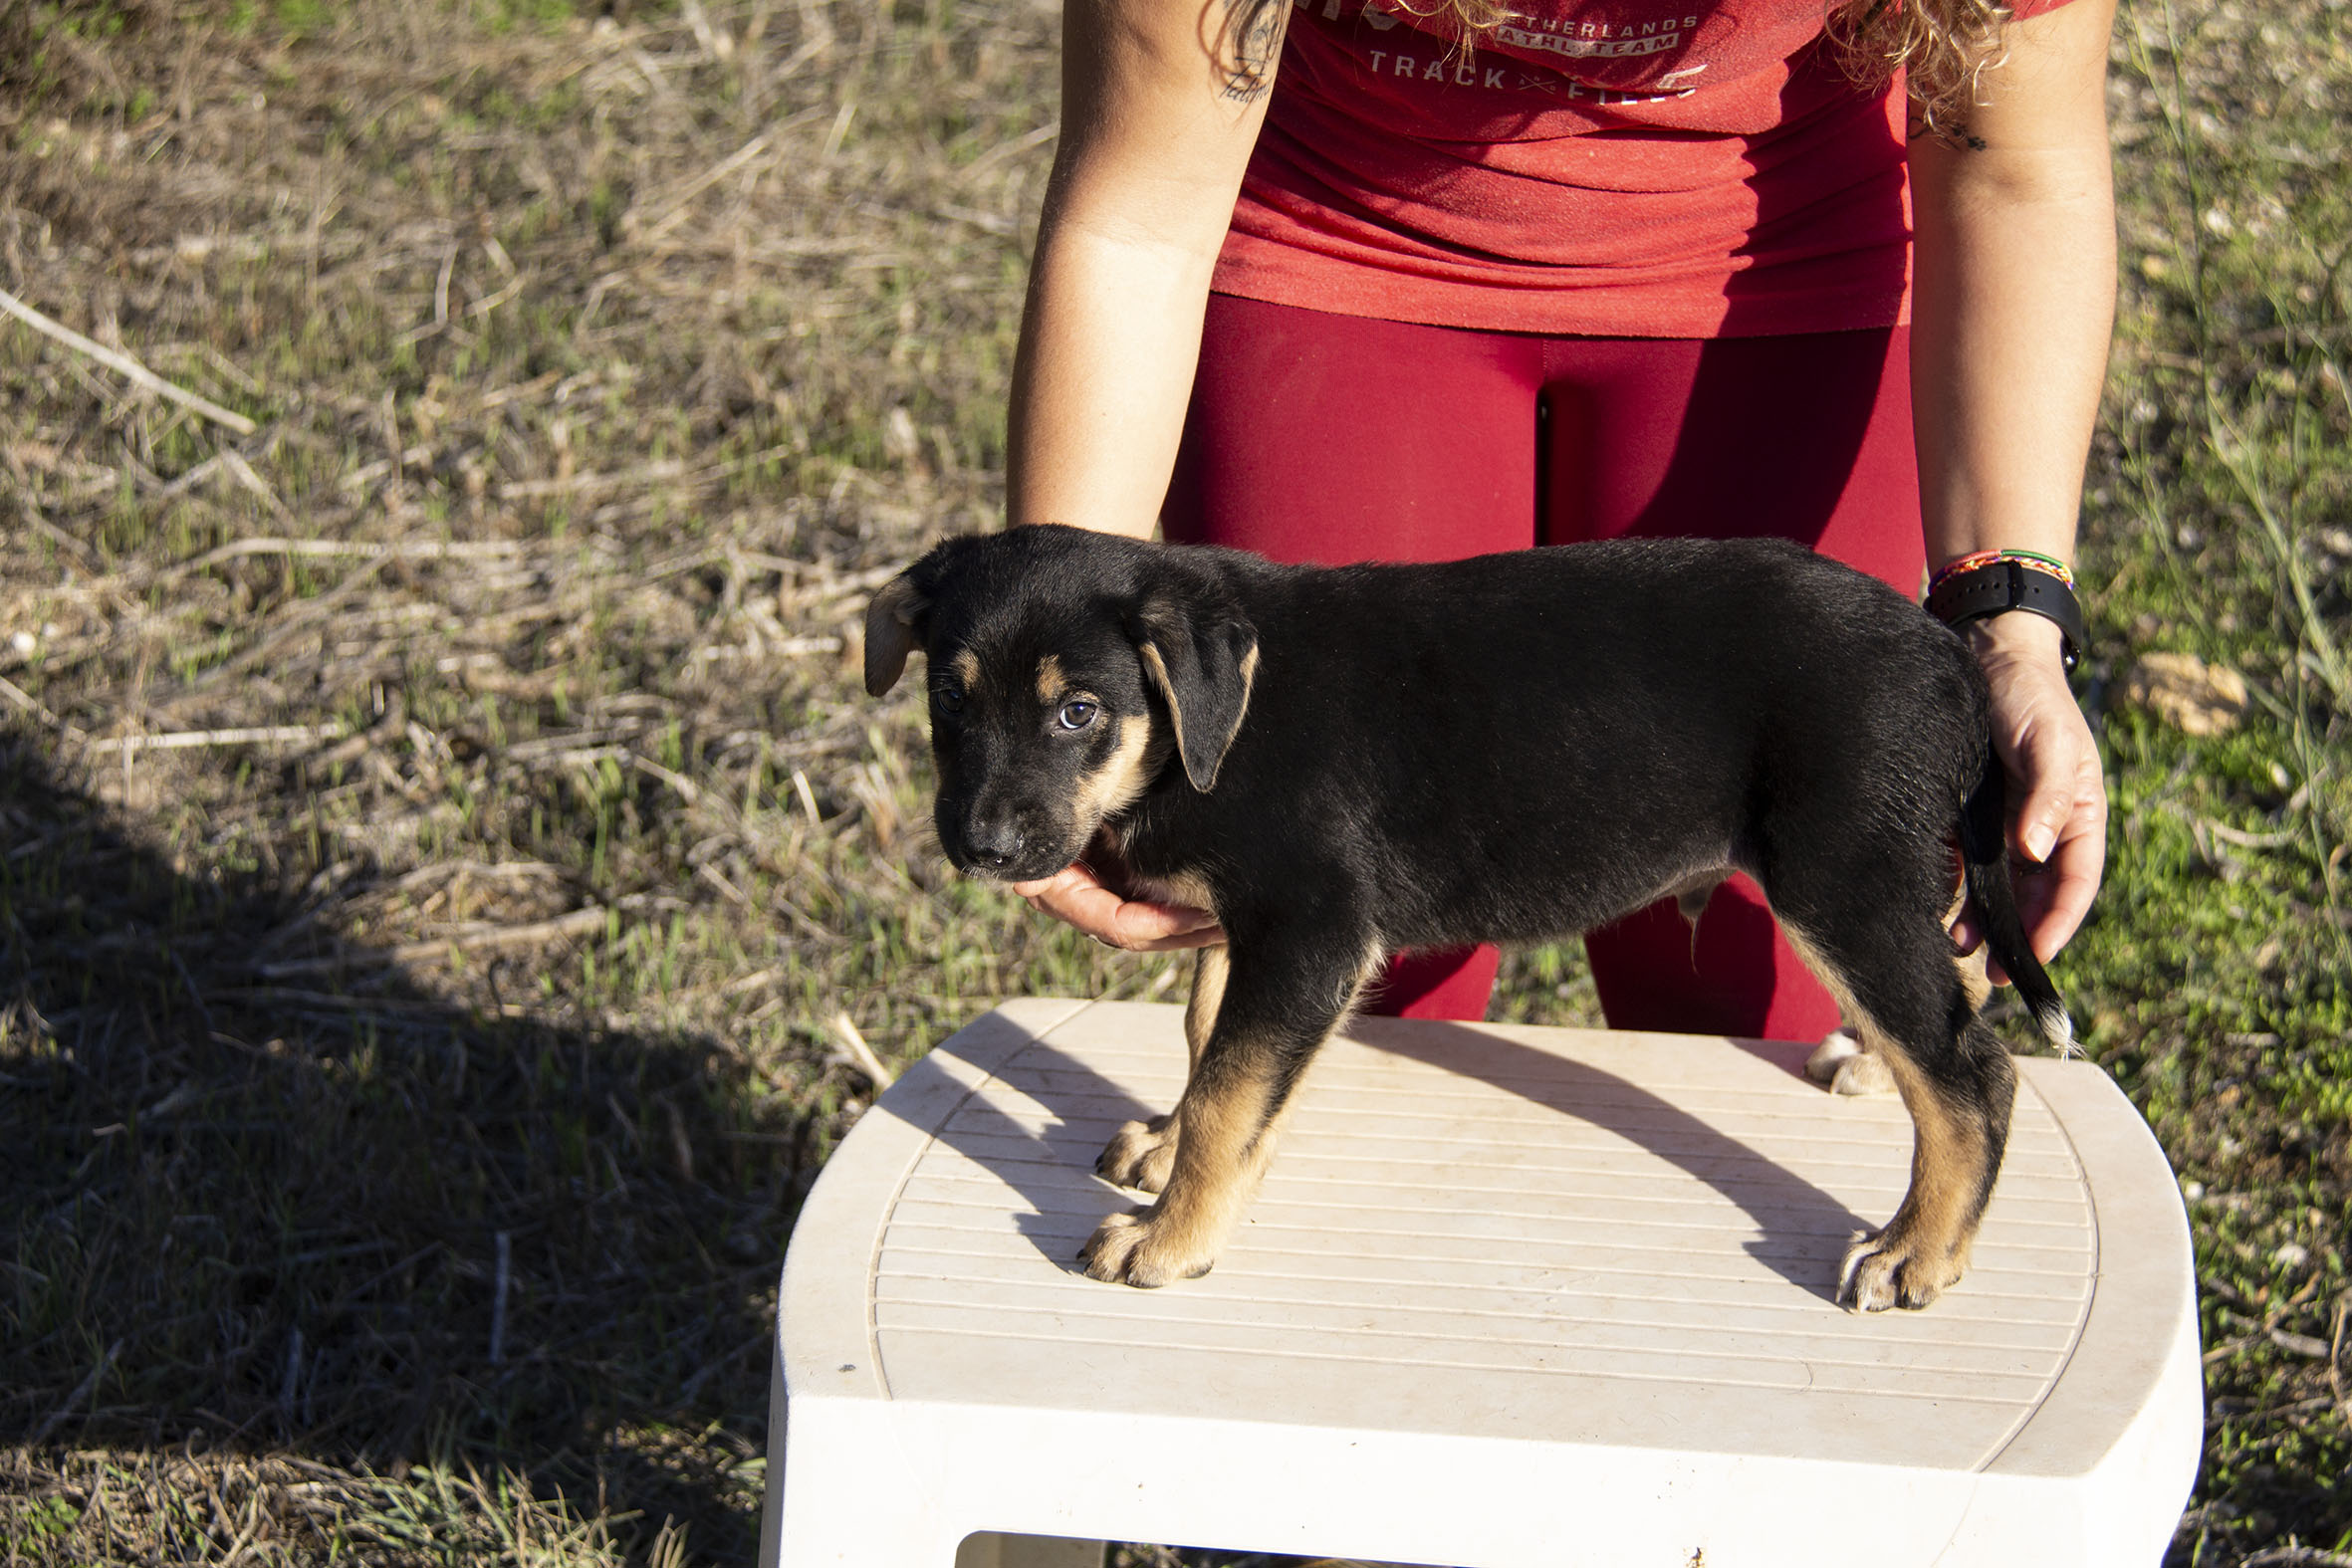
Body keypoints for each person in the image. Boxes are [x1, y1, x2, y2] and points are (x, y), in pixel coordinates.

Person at [1000, 0, 2112, 1037]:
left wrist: (2010, 624)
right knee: (1335, 942)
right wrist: (1053, 671)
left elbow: (2015, 167)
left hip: (1787, 262)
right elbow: (1136, 214)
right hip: (1343, 240)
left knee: (1766, 966)